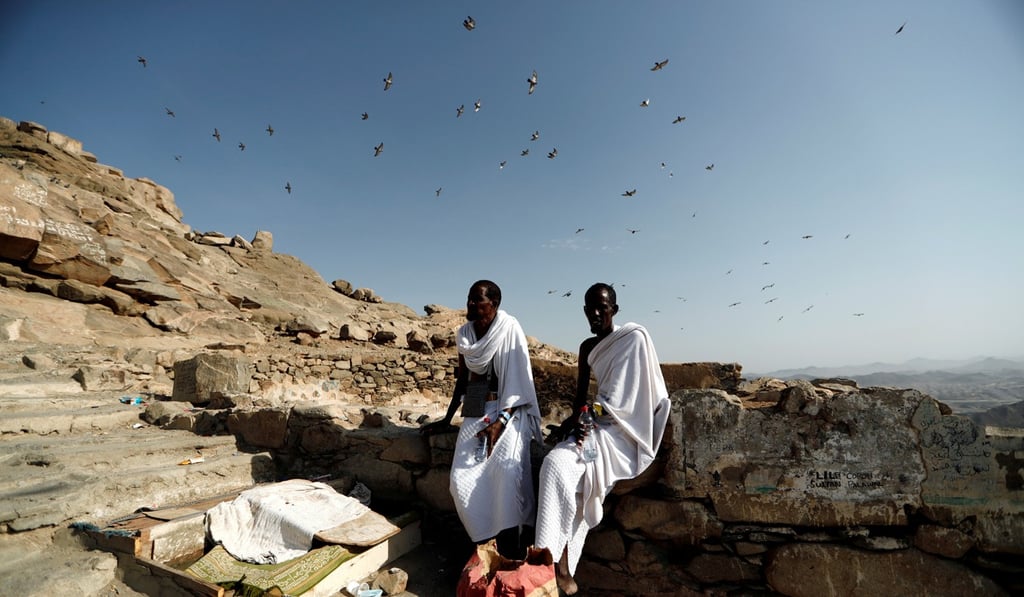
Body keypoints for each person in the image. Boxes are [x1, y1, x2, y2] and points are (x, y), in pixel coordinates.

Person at [535, 283, 670, 594]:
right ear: (584, 311)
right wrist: (575, 420)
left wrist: (590, 414)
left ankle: (555, 565)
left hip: (624, 432)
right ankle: (552, 565)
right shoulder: (586, 348)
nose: (596, 314)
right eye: (590, 309)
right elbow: (582, 401)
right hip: (595, 427)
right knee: (557, 467)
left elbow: (628, 401)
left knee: (567, 470)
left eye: (603, 308)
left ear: (615, 310)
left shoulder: (634, 338)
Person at [421, 280, 543, 556]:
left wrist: (500, 421)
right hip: (477, 409)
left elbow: (517, 381)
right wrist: (446, 418)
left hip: (509, 409)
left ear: (495, 304)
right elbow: (463, 380)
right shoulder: (465, 334)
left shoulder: (509, 328)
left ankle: (511, 545)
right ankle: (483, 543)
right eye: (469, 299)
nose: (472, 305)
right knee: (459, 480)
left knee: (507, 472)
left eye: (479, 300)